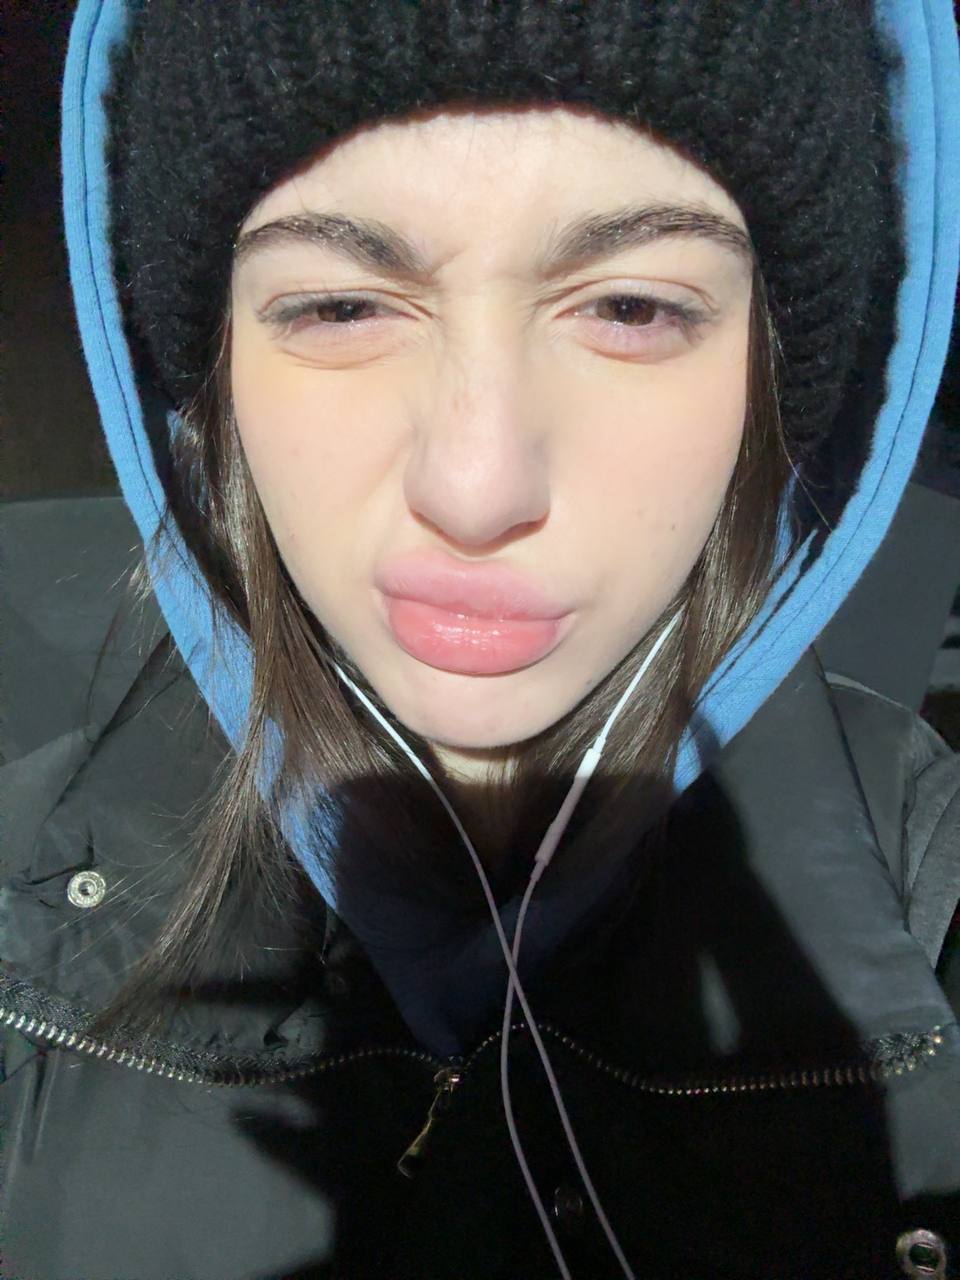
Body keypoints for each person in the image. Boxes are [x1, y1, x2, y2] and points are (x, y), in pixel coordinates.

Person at [1, 1, 959, 1277]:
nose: (475, 483)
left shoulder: (931, 897)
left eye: (631, 305)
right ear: (211, 373)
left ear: (777, 373)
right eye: (342, 305)